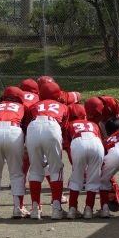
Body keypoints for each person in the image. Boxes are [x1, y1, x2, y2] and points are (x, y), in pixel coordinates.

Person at [0, 87, 30, 219]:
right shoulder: (23, 108)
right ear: (20, 99)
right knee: (17, 173)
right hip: (13, 131)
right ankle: (18, 208)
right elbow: (26, 127)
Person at [25, 82, 69, 220]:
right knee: (56, 169)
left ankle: (35, 208)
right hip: (52, 125)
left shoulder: (34, 106)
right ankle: (57, 208)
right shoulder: (63, 106)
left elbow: (27, 124)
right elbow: (63, 127)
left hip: (33, 126)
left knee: (35, 169)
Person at [63, 104, 104, 220]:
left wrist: (75, 164)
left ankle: (72, 209)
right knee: (93, 178)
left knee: (76, 178)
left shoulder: (69, 125)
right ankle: (89, 210)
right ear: (85, 115)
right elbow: (99, 140)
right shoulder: (94, 124)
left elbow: (67, 146)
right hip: (95, 142)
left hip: (78, 142)